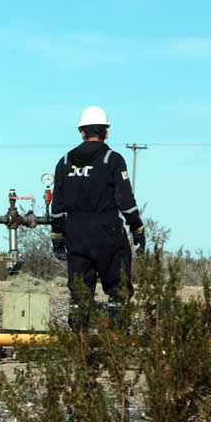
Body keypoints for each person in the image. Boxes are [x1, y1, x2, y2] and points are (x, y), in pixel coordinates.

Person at [50, 106, 145, 328]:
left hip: (76, 234)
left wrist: (57, 235)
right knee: (118, 289)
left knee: (79, 293)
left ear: (82, 132)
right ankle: (117, 342)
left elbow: (57, 206)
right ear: (106, 132)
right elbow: (125, 200)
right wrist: (136, 228)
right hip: (107, 232)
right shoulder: (112, 160)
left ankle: (78, 346)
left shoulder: (64, 163)